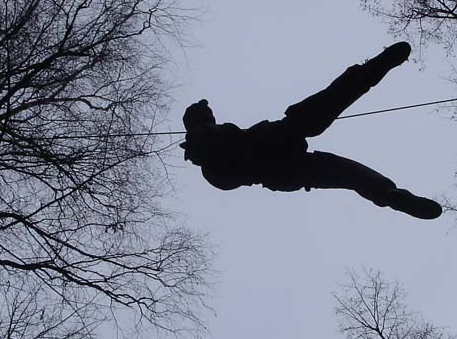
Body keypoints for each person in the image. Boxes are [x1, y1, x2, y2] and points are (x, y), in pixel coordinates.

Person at [181, 42, 443, 219]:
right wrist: (202, 118)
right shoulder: (208, 143)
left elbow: (227, 179)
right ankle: (372, 70)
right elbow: (209, 131)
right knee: (331, 100)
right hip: (273, 140)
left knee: (347, 173)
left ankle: (387, 194)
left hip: (282, 173)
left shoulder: (214, 171)